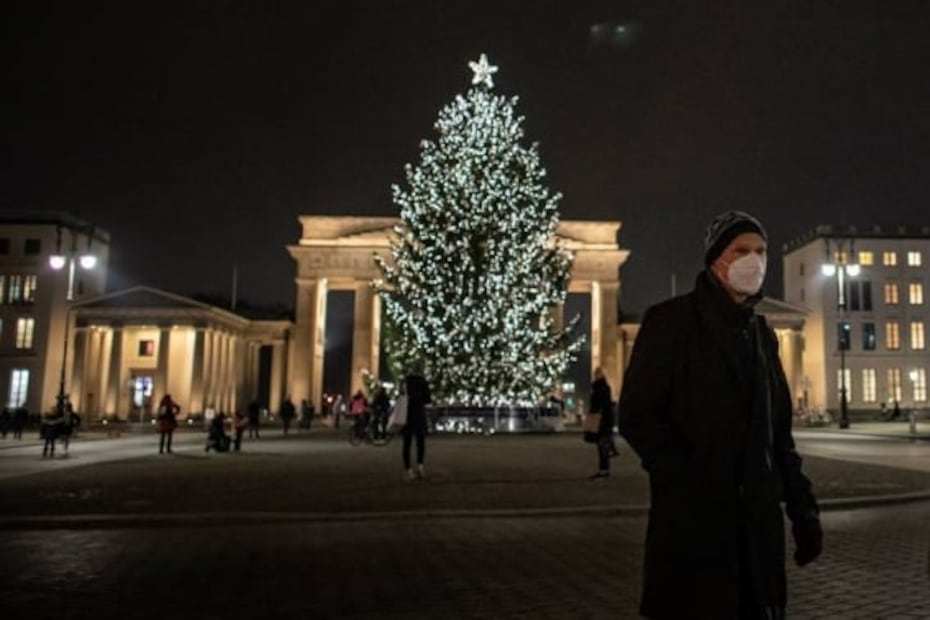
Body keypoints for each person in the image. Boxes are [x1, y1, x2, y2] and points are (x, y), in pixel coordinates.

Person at [616, 210, 822, 619]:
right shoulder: (669, 323)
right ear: (716, 258)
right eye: (742, 250)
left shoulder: (762, 337)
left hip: (757, 532)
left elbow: (779, 437)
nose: (755, 261)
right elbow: (639, 416)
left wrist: (803, 509)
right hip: (693, 528)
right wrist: (686, 479)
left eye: (761, 251)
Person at [402, 365, 432, 480]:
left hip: (407, 415)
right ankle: (420, 466)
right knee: (420, 443)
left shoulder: (405, 382)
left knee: (407, 444)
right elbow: (428, 399)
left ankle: (408, 469)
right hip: (419, 414)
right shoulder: (423, 382)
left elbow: (400, 397)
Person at [588, 367, 615, 479]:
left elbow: (599, 404)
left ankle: (604, 469)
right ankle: (604, 468)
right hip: (604, 419)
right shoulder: (604, 387)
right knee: (602, 444)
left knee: (602, 445)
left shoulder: (599, 388)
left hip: (601, 419)